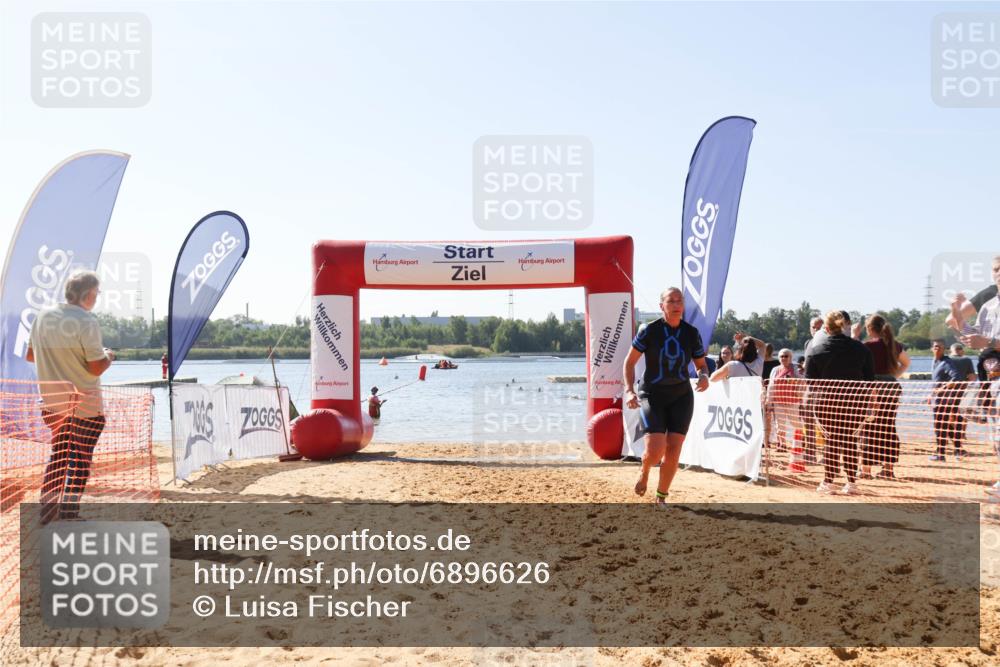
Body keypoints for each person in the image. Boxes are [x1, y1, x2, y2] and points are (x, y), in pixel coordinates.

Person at [25, 270, 114, 523]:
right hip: (84, 405)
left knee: (59, 456)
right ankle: (68, 513)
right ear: (88, 294)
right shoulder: (86, 321)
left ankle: (47, 512)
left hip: (52, 405)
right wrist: (110, 356)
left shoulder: (43, 317)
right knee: (80, 461)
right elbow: (95, 367)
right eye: (97, 293)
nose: (97, 298)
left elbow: (30, 356)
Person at [624, 287, 710, 507]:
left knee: (674, 448)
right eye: (671, 301)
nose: (676, 305)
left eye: (679, 301)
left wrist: (703, 377)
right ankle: (645, 470)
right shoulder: (649, 331)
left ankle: (661, 496)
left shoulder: (691, 333)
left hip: (681, 396)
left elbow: (701, 365)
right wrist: (629, 390)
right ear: (661, 305)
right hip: (652, 394)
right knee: (655, 452)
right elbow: (629, 362)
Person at [804, 310, 874, 495]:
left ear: (826, 328)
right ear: (844, 326)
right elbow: (869, 379)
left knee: (832, 440)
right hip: (855, 402)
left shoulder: (815, 349)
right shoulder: (861, 349)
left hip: (826, 403)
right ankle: (851, 482)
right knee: (850, 440)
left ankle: (829, 481)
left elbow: (810, 381)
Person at [858, 314, 911, 480]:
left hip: (873, 388)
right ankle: (888, 469)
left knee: (868, 427)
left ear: (869, 329)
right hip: (892, 388)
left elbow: (860, 368)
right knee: (888, 427)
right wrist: (893, 375)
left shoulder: (866, 346)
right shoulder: (895, 345)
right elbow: (906, 363)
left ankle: (866, 470)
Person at [930, 339, 971, 462]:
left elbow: (956, 378)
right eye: (936, 347)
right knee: (945, 425)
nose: (937, 349)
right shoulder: (935, 361)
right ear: (932, 349)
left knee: (939, 426)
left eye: (940, 347)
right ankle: (959, 450)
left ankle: (941, 454)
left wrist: (942, 388)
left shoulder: (947, 362)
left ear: (945, 349)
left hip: (945, 400)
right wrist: (931, 395)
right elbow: (935, 381)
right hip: (937, 399)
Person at [767, 348, 803, 450]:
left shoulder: (796, 368)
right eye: (781, 356)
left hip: (793, 401)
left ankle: (800, 441)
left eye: (786, 356)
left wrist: (793, 381)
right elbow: (771, 385)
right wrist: (769, 402)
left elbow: (803, 380)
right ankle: (781, 444)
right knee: (780, 424)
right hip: (778, 401)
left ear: (791, 358)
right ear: (779, 358)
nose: (784, 358)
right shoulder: (775, 370)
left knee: (795, 422)